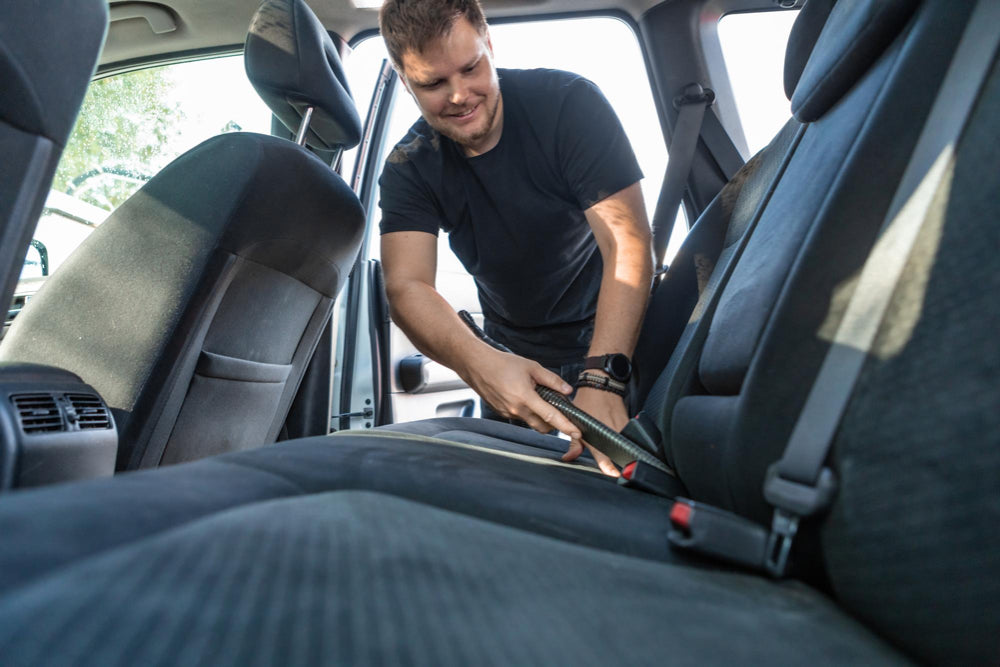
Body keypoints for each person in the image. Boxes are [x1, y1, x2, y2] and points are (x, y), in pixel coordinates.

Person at [377, 0, 652, 477]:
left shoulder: (568, 105)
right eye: (433, 83)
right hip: (509, 354)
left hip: (611, 336)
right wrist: (480, 363)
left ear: (490, 44)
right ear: (405, 80)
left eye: (470, 67)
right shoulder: (409, 167)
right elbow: (407, 287)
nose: (460, 95)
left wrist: (603, 377)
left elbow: (626, 244)